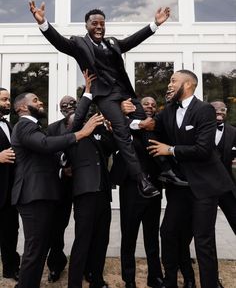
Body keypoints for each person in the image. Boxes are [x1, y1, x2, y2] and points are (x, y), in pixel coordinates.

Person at [28, 0, 172, 198]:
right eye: (94, 23)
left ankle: (166, 169)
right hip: (104, 96)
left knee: (148, 124)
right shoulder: (79, 44)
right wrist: (43, 23)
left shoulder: (112, 42)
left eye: (102, 23)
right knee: (122, 132)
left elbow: (132, 41)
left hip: (124, 92)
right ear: (86, 25)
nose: (99, 27)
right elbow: (59, 43)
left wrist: (155, 24)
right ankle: (141, 180)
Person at [146, 70, 235, 288]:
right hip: (179, 186)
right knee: (167, 232)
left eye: (173, 81)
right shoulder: (168, 111)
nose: (169, 85)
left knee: (203, 241)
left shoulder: (204, 110)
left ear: (188, 85)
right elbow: (149, 126)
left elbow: (204, 149)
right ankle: (170, 281)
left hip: (205, 185)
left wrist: (171, 150)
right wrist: (130, 118)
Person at [11, 92, 104, 288]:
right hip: (32, 196)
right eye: (35, 100)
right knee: (34, 251)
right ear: (22, 108)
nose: (40, 101)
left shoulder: (34, 127)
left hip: (40, 196)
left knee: (40, 250)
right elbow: (45, 145)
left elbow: (46, 156)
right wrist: (81, 133)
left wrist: (63, 169)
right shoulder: (24, 125)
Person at [111, 96, 163, 288]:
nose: (150, 106)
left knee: (152, 235)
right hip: (131, 188)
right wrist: (138, 122)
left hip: (155, 186)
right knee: (129, 235)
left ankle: (155, 276)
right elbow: (120, 125)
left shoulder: (158, 128)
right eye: (146, 103)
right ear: (137, 108)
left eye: (153, 104)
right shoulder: (125, 123)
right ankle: (129, 279)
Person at [64, 90, 115, 288]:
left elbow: (112, 147)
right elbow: (77, 124)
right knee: (82, 241)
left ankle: (97, 279)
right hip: (84, 194)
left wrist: (109, 130)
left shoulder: (97, 135)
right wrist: (88, 92)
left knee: (102, 240)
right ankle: (74, 283)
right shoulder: (71, 137)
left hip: (103, 194)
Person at [46, 94, 77, 282]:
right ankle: (55, 265)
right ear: (60, 109)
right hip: (61, 186)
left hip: (85, 184)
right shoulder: (52, 128)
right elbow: (48, 152)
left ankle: (86, 266)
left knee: (86, 228)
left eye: (73, 103)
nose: (69, 106)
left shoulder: (87, 123)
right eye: (64, 105)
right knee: (56, 228)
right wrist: (62, 168)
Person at [0, 87, 20, 282]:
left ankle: (11, 268)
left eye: (8, 100)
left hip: (9, 191)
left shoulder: (9, 124)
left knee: (10, 231)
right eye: (4, 100)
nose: (7, 103)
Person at [210, 100, 236, 234]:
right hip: (205, 187)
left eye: (223, 109)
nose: (219, 112)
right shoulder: (199, 130)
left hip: (227, 186)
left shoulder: (234, 132)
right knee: (202, 226)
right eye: (215, 109)